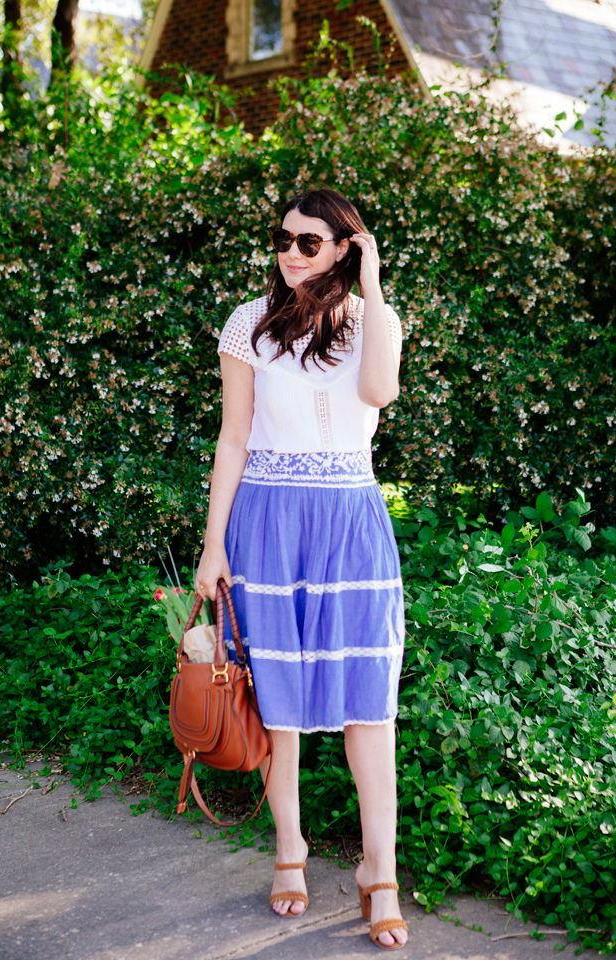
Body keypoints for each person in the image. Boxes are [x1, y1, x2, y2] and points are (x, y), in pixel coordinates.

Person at [195, 188, 408, 950]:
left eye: (310, 242)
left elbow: (378, 392)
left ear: (345, 249)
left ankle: (378, 871)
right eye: (284, 238)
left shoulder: (372, 324)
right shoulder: (248, 323)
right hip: (268, 524)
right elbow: (233, 441)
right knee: (276, 698)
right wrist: (212, 545)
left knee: (369, 703)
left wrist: (375, 285)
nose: (290, 252)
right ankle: (290, 850)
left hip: (351, 524)